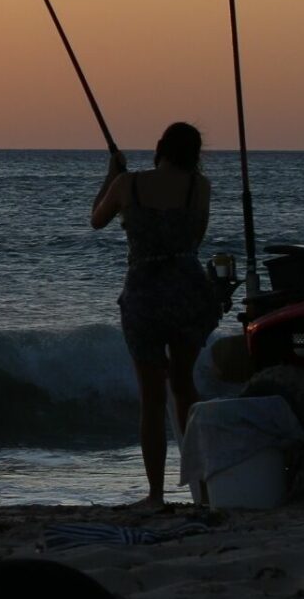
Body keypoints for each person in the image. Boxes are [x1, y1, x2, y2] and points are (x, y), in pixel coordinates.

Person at [91, 122, 220, 505]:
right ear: (195, 154)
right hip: (188, 294)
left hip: (144, 297)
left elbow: (97, 220)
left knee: (151, 399)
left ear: (160, 146)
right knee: (183, 387)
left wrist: (112, 174)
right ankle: (203, 488)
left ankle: (156, 494)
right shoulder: (200, 188)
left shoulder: (127, 184)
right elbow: (194, 241)